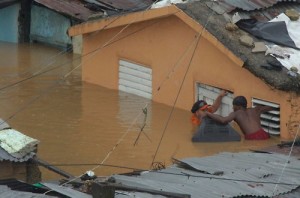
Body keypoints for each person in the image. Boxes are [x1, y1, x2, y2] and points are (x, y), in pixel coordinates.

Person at [203, 96, 273, 140]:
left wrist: (208, 113)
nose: (233, 108)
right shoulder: (256, 109)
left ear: (239, 107)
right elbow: (271, 107)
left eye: (234, 106)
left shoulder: (236, 114)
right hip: (264, 134)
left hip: (253, 138)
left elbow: (223, 120)